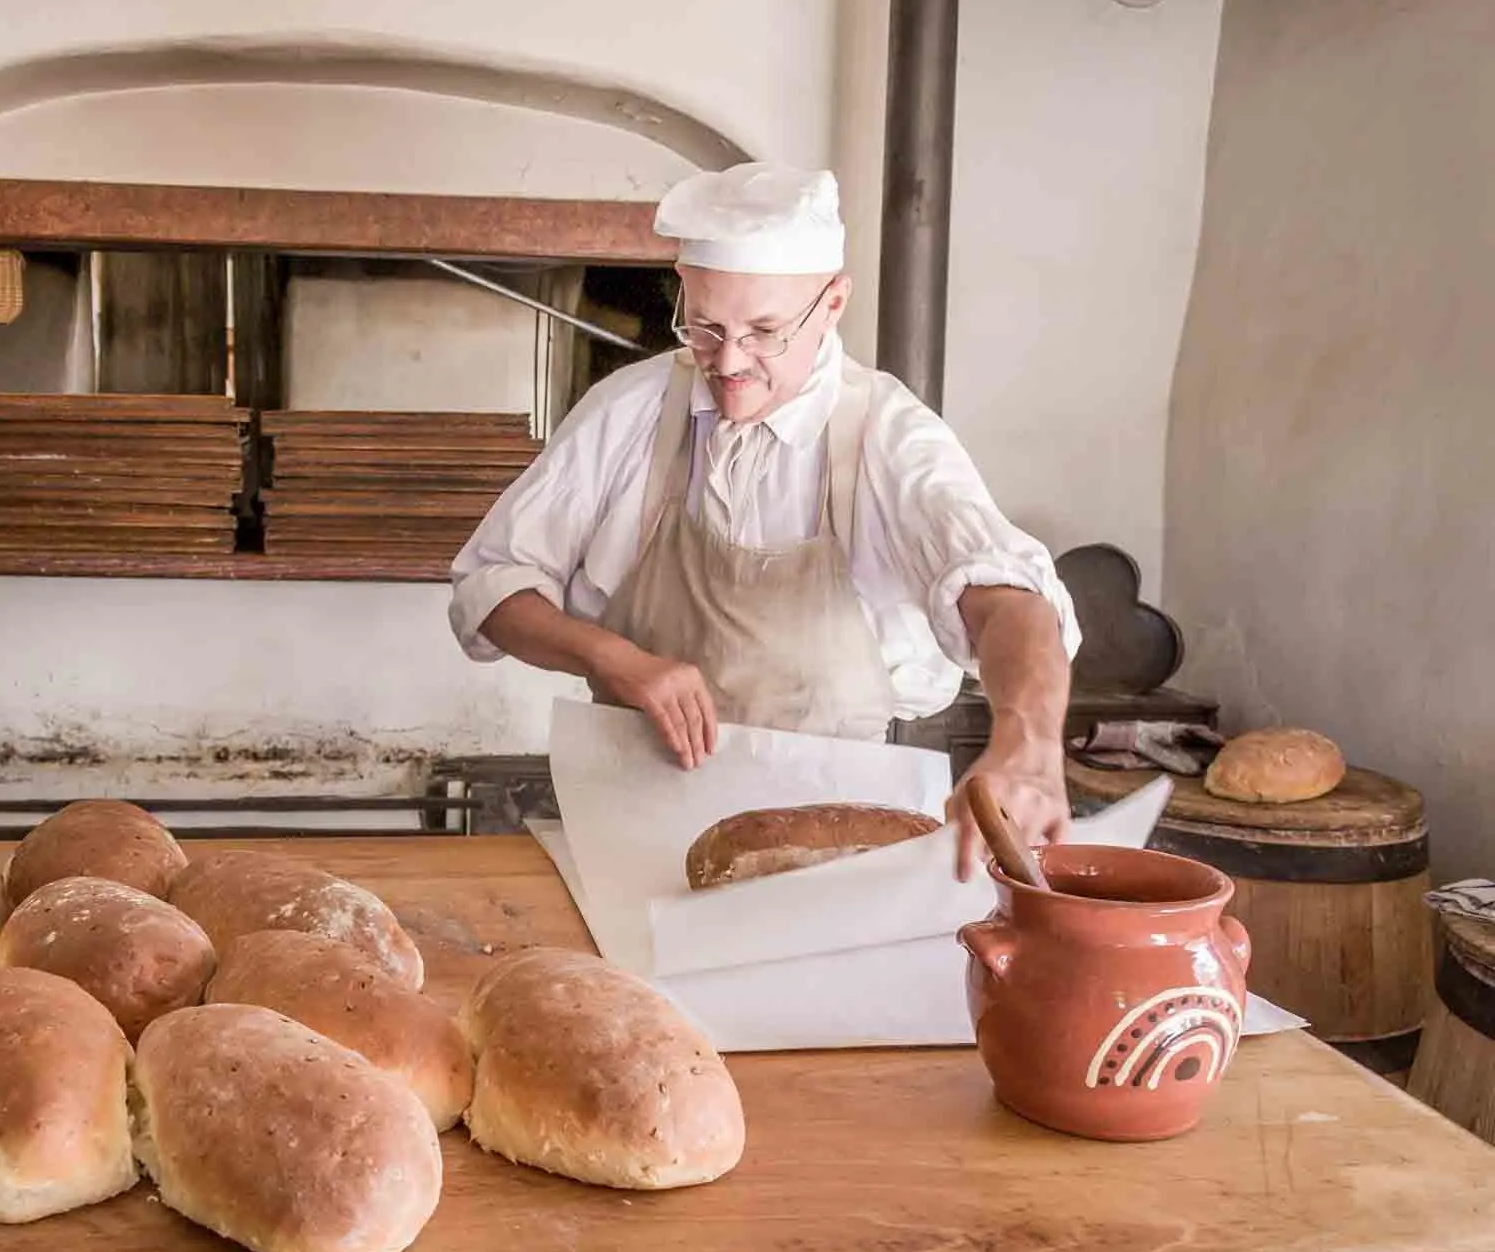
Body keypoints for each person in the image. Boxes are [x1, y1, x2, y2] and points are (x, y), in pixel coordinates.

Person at [448, 162, 1079, 877]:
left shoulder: (889, 437)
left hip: (833, 849)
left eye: (766, 331)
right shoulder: (631, 411)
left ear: (833, 303)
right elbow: (490, 587)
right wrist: (609, 657)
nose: (730, 362)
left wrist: (1027, 745)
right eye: (706, 328)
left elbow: (1010, 600)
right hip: (628, 834)